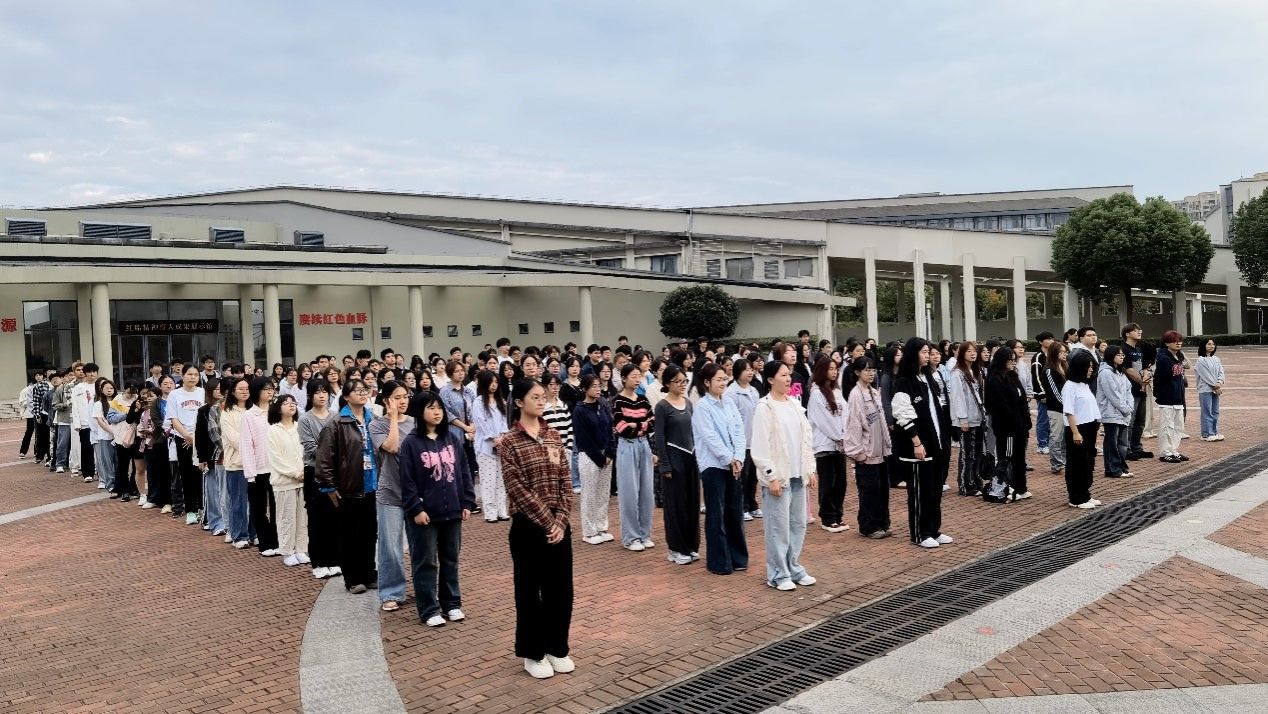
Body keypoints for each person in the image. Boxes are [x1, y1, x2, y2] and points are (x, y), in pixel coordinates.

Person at [499, 379, 575, 680]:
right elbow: (516, 487)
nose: (541, 401)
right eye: (535, 397)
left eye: (543, 396)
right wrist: (547, 521)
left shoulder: (553, 436)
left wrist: (560, 520)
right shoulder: (509, 442)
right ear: (519, 402)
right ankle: (533, 653)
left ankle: (557, 647)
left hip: (559, 525)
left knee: (561, 591)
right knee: (530, 592)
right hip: (528, 526)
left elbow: (565, 480)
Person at [399, 391, 475, 627]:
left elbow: (464, 471)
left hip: (452, 510)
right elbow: (407, 480)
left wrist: (466, 501)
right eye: (431, 408)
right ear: (420, 412)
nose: (437, 412)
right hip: (424, 513)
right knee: (426, 562)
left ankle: (451, 604)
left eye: (439, 407)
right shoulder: (411, 443)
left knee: (450, 559)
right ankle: (429, 609)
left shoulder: (451, 438)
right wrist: (415, 508)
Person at [751, 360, 817, 590]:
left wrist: (810, 468)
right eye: (783, 375)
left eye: (789, 374)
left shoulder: (794, 405)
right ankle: (778, 574)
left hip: (798, 475)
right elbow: (760, 446)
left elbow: (806, 439)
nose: (788, 379)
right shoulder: (764, 407)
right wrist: (771, 476)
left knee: (798, 525)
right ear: (770, 380)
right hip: (779, 477)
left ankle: (793, 567)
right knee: (778, 528)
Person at [315, 379, 380, 593]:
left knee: (369, 534)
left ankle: (369, 574)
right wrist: (329, 486)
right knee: (349, 535)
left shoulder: (373, 420)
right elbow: (324, 458)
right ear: (345, 396)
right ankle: (352, 578)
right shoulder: (336, 423)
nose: (362, 393)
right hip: (348, 487)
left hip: (372, 485)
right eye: (356, 390)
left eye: (364, 390)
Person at [891, 338, 953, 549]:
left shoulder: (927, 378)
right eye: (924, 352)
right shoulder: (903, 381)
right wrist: (916, 442)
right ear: (913, 354)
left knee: (935, 490)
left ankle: (933, 529)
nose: (928, 356)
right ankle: (919, 533)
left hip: (936, 444)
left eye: (929, 352)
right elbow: (902, 414)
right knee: (920, 491)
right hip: (917, 447)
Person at [693, 362, 749, 575]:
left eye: (724, 379)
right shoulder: (702, 407)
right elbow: (710, 437)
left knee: (734, 512)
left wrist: (739, 458)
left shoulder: (729, 403)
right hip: (713, 465)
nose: (723, 383)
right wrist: (729, 458)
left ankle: (738, 558)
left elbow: (739, 431)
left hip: (734, 464)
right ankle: (719, 561)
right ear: (707, 382)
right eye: (718, 379)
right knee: (716, 513)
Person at [370, 381, 413, 612]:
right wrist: (394, 418)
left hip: (416, 494)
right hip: (390, 493)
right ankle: (391, 592)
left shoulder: (416, 423)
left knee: (421, 546)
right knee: (391, 547)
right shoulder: (377, 424)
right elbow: (393, 446)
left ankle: (425, 589)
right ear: (386, 400)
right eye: (397, 397)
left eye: (405, 396)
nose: (403, 401)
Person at [652, 364, 700, 566]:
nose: (682, 384)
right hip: (673, 458)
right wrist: (665, 465)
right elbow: (659, 437)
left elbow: (694, 432)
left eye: (684, 381)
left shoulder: (688, 403)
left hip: (691, 457)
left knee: (692, 503)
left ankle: (691, 545)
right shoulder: (662, 406)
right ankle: (676, 548)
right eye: (677, 381)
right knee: (675, 505)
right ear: (667, 383)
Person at [843, 356, 892, 538]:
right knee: (869, 492)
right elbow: (854, 425)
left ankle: (882, 523)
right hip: (867, 453)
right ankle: (869, 526)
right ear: (857, 372)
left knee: (882, 490)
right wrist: (858, 452)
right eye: (867, 370)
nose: (871, 373)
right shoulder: (856, 395)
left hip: (880, 451)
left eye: (873, 370)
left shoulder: (873, 392)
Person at [300, 380, 341, 579]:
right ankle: (319, 562)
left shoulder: (336, 416)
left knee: (334, 517)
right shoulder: (305, 419)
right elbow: (310, 449)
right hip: (314, 473)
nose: (322, 395)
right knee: (317, 518)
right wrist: (335, 454)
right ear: (310, 396)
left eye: (325, 391)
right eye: (317, 392)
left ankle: (334, 560)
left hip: (336, 473)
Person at [613, 364, 655, 551]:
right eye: (633, 376)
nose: (637, 380)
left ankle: (645, 534)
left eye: (639, 376)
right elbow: (621, 428)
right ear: (623, 378)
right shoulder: (617, 401)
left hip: (644, 445)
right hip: (627, 446)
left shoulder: (643, 400)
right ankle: (631, 537)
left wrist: (635, 425)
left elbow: (652, 423)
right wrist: (641, 425)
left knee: (647, 492)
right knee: (629, 492)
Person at [572, 375, 616, 544]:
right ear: (585, 389)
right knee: (589, 494)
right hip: (589, 456)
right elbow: (583, 438)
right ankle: (589, 532)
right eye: (594, 386)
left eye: (599, 386)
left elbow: (610, 429)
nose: (598, 389)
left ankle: (601, 527)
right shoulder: (579, 410)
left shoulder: (602, 406)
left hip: (606, 456)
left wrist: (610, 452)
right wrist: (600, 458)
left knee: (603, 494)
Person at [984, 348, 1033, 499]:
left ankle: (1020, 487)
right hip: (1007, 427)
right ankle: (1007, 487)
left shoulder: (1012, 376)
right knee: (1008, 456)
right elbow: (999, 406)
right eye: (1010, 360)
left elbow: (1022, 399)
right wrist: (1014, 421)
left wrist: (1025, 421)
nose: (1013, 363)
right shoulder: (995, 379)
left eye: (1014, 360)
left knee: (1019, 457)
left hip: (1019, 425)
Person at [807, 356, 848, 532]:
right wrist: (839, 436)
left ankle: (838, 516)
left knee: (841, 483)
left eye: (835, 369)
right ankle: (828, 517)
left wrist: (845, 435)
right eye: (830, 369)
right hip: (825, 445)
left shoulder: (837, 391)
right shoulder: (816, 394)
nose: (834, 372)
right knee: (828, 483)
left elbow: (846, 413)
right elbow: (824, 421)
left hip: (840, 445)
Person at [268, 393, 310, 567]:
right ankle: (287, 551)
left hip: (304, 479)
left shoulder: (300, 427)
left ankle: (301, 549)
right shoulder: (273, 430)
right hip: (284, 482)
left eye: (293, 402)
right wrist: (294, 473)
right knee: (286, 517)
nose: (291, 405)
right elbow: (275, 458)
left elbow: (307, 450)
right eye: (286, 403)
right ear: (278, 408)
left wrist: (305, 471)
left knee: (302, 518)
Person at [240, 378, 280, 556]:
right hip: (258, 468)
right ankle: (265, 543)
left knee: (277, 506)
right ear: (257, 392)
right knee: (259, 507)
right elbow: (246, 445)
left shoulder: (276, 412)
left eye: (272, 389)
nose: (270, 392)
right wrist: (250, 473)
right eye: (266, 389)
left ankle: (278, 541)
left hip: (277, 467)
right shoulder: (249, 415)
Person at [165, 365, 207, 525]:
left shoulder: (203, 392)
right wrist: (187, 436)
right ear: (182, 376)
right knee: (187, 474)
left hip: (200, 438)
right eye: (189, 374)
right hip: (182, 438)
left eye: (196, 374)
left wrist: (195, 437)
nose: (193, 377)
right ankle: (191, 510)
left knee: (201, 474)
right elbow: (173, 418)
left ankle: (203, 508)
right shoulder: (174, 394)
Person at [1062, 351, 1101, 509]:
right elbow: (1069, 411)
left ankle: (1085, 493)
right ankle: (1076, 497)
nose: (1091, 369)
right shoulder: (1069, 386)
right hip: (1077, 428)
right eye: (1088, 367)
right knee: (1076, 463)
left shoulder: (1084, 384)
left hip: (1090, 426)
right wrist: (1075, 432)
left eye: (1092, 366)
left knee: (1087, 461)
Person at [947, 341, 984, 497]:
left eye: (974, 351)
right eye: (969, 351)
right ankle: (965, 484)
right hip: (965, 419)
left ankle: (975, 480)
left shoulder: (976, 371)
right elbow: (958, 398)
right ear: (962, 353)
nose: (972, 353)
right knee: (967, 453)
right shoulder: (957, 373)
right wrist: (963, 419)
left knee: (977, 452)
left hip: (977, 417)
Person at [472, 370, 510, 522]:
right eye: (491, 382)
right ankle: (490, 513)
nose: (494, 385)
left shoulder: (501, 401)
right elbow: (480, 423)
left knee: (501, 480)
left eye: (496, 382)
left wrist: (502, 437)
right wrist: (494, 437)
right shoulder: (478, 402)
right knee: (488, 480)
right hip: (485, 447)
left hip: (501, 445)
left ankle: (502, 510)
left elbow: (504, 422)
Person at [219, 378, 253, 548]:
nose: (245, 392)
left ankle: (254, 533)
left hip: (257, 464)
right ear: (233, 392)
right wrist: (254, 445)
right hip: (237, 463)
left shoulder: (255, 410)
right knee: (238, 501)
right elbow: (234, 439)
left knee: (256, 501)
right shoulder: (227, 413)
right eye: (241, 389)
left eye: (247, 388)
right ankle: (239, 535)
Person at [1097, 346, 1134, 479]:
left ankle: (1121, 467)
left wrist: (1129, 407)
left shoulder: (1120, 372)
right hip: (1111, 413)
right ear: (1111, 356)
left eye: (1123, 355)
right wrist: (1125, 408)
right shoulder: (1106, 373)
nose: (1122, 357)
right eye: (1119, 355)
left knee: (1122, 443)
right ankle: (1112, 469)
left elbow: (1128, 391)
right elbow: (1112, 394)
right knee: (1112, 442)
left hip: (1123, 413)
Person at [195, 380, 227, 536]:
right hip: (211, 455)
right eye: (216, 389)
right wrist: (202, 458)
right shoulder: (204, 410)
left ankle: (226, 521)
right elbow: (200, 434)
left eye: (221, 389)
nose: (219, 391)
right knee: (213, 491)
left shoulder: (229, 408)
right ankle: (215, 522)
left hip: (228, 457)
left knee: (225, 492)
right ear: (209, 391)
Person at [1120, 323, 1155, 460]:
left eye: (1139, 330)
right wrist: (1142, 382)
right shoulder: (1124, 349)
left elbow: (1145, 367)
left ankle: (1137, 447)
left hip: (1142, 390)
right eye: (1135, 330)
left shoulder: (1139, 349)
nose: (1139, 332)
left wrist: (1146, 377)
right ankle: (1126, 449)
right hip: (1131, 390)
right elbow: (1128, 370)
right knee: (1130, 420)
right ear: (1127, 334)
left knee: (1140, 421)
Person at [1154, 330, 1188, 463]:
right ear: (1167, 343)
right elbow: (1159, 378)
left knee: (1178, 426)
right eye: (1174, 341)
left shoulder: (1178, 357)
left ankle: (1173, 450)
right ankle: (1165, 452)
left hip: (1178, 397)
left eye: (1180, 341)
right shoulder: (1164, 358)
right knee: (1167, 426)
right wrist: (1160, 394)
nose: (1178, 343)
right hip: (1167, 398)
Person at [541, 375, 578, 495]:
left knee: (564, 478)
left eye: (557, 385)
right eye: (552, 385)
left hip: (565, 448)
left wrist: (569, 447)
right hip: (549, 449)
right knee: (552, 479)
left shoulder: (563, 405)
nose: (555, 387)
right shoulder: (542, 407)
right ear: (545, 387)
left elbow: (569, 427)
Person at [1042, 341, 1069, 474]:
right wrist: (1066, 405)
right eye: (1061, 352)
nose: (1064, 354)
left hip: (1067, 408)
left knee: (1065, 437)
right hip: (1056, 408)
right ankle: (1056, 463)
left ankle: (1064, 460)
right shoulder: (1049, 370)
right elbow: (1054, 392)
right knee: (1056, 436)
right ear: (1054, 353)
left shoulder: (1065, 366)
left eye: (1065, 352)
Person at [1195, 339, 1225, 441]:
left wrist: (1219, 382)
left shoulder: (1216, 359)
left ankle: (1214, 432)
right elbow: (1205, 375)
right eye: (1209, 344)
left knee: (1215, 411)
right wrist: (1215, 386)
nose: (1212, 346)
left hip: (1215, 388)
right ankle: (1207, 434)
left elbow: (1221, 372)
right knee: (1207, 411)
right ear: (1204, 346)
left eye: (1213, 344)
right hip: (1205, 389)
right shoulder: (1201, 360)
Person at [1031, 332, 1055, 455]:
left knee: (1052, 420)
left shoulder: (1052, 356)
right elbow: (1036, 377)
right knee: (1043, 420)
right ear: (1041, 342)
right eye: (1048, 339)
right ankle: (1042, 444)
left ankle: (1050, 443)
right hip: (1044, 395)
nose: (1051, 341)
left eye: (1052, 339)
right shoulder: (1038, 357)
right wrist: (1042, 393)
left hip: (1054, 394)